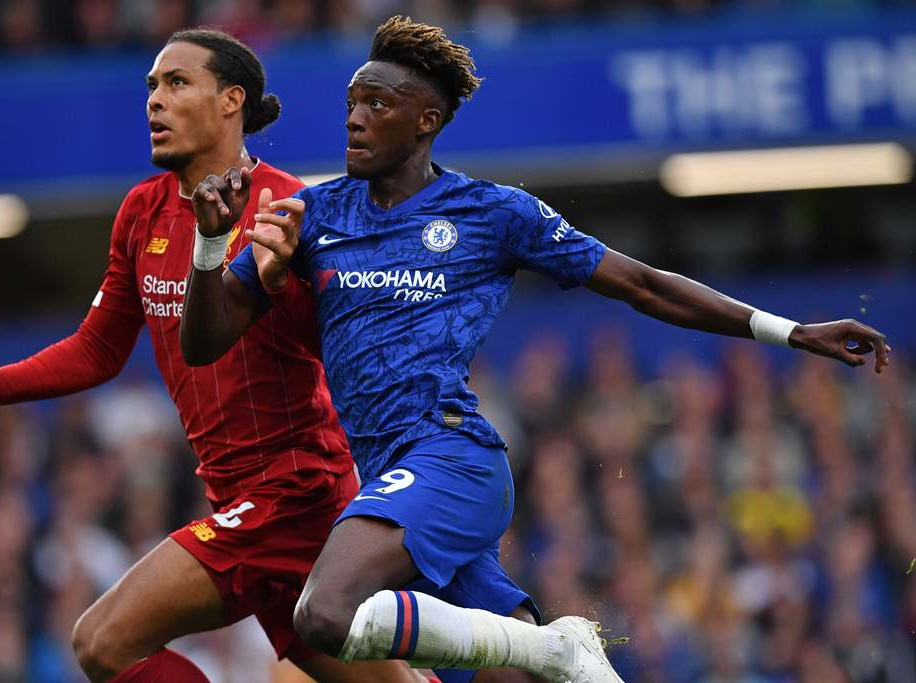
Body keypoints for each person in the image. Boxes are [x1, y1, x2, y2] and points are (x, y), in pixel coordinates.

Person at [179, 15, 892, 683]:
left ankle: (558, 646)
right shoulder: (314, 215)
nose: (355, 118)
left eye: (378, 103)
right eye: (351, 102)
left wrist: (788, 330)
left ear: (427, 121)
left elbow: (643, 285)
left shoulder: (492, 214)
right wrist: (211, 243)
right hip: (387, 477)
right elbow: (204, 342)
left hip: (450, 460)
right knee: (513, 669)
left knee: (323, 615)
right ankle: (558, 653)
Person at [0, 28, 425, 683]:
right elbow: (98, 348)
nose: (155, 99)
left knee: (103, 640)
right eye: (151, 85)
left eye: (177, 83)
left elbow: (348, 344)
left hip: (292, 492)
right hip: (243, 499)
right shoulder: (142, 212)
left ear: (231, 100)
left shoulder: (287, 208)